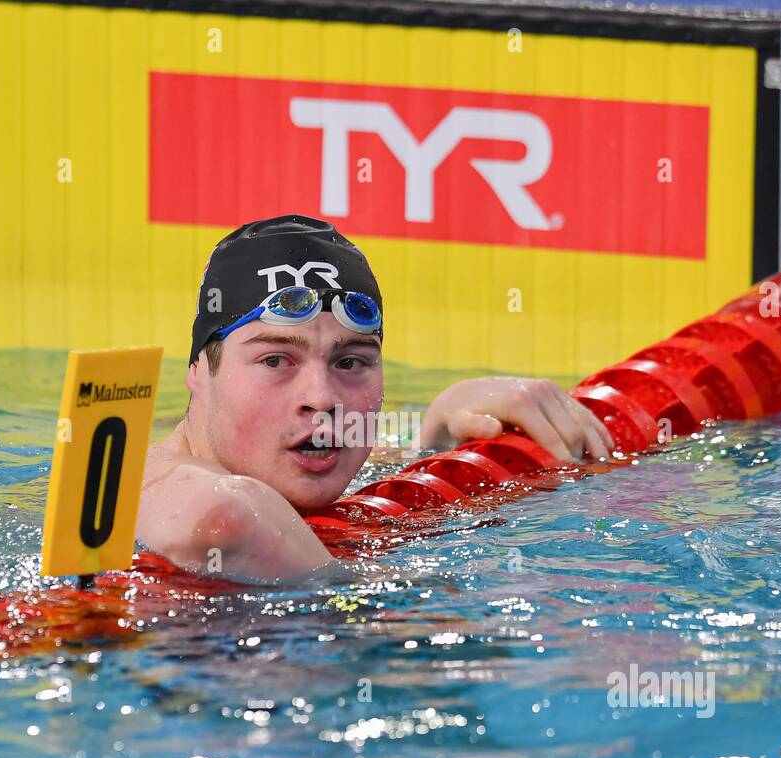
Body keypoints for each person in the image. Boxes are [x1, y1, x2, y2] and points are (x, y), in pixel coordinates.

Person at [135, 214, 612, 581]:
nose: (321, 398)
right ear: (199, 370)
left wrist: (437, 437)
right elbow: (220, 518)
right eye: (276, 361)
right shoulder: (146, 484)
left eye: (350, 363)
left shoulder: (299, 456)